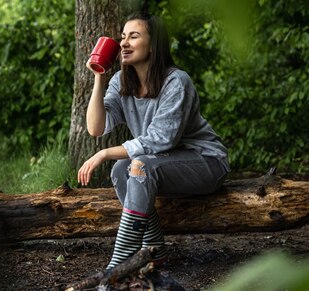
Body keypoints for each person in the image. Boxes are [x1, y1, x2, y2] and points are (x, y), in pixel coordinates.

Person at [77, 12, 230, 270]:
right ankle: (154, 248)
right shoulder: (121, 81)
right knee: (121, 169)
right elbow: (96, 127)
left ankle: (119, 263)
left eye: (133, 36)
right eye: (122, 37)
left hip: (205, 162)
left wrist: (103, 153)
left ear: (153, 44)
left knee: (138, 166)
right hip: (163, 165)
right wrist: (99, 76)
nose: (124, 43)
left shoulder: (177, 82)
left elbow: (162, 139)